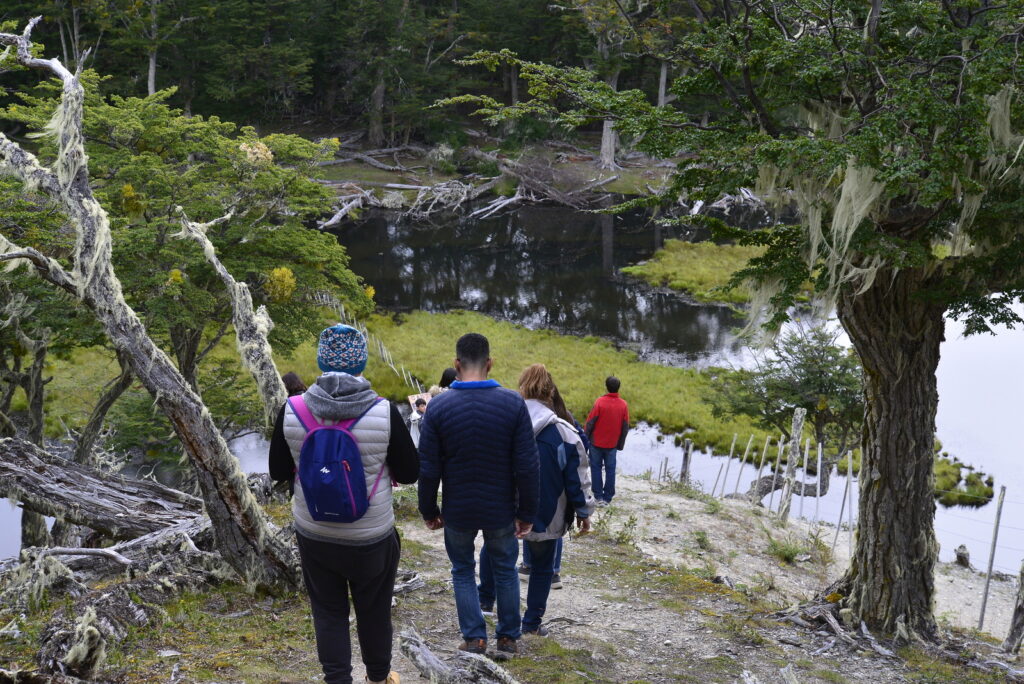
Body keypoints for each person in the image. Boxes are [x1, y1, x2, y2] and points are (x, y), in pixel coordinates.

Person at [269, 324, 418, 684]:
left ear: (322, 361)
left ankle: (337, 679)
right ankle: (379, 678)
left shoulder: (292, 408)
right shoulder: (383, 411)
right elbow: (410, 473)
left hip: (314, 531)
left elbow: (277, 471)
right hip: (371, 535)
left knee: (328, 612)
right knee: (374, 610)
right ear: (361, 362)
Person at [417, 333, 539, 655]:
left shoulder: (438, 406)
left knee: (462, 570)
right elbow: (528, 466)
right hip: (501, 507)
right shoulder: (513, 403)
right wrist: (527, 512)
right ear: (490, 363)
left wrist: (428, 510)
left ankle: (475, 638)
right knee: (505, 569)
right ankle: (508, 638)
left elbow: (428, 468)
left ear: (456, 364)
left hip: (458, 508)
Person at [481, 364, 592, 636]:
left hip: (503, 504)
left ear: (521, 388)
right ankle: (531, 623)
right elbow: (577, 478)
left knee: (494, 551)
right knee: (543, 566)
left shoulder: (501, 423)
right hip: (547, 510)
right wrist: (583, 511)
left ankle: (485, 602)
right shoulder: (565, 432)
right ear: (550, 392)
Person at [518, 386, 591, 589]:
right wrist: (583, 509)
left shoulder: (521, 419)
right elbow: (583, 444)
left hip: (528, 489)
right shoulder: (566, 419)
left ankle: (528, 565)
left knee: (532, 524)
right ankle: (554, 571)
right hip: (557, 490)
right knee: (553, 527)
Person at [586, 376, 630, 506]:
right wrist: (620, 444)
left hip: (596, 443)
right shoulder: (623, 405)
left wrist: (585, 439)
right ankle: (608, 497)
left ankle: (598, 496)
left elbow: (590, 422)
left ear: (606, 387)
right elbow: (625, 427)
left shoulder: (599, 402)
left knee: (596, 468)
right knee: (610, 470)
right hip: (612, 444)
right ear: (618, 388)